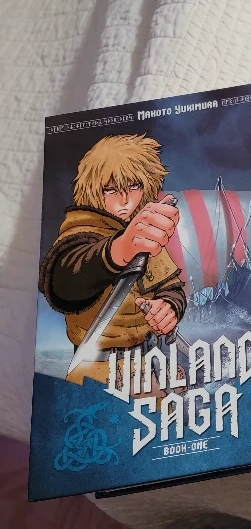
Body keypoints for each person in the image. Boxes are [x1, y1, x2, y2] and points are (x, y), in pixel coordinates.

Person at [39, 134, 186, 391]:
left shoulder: (144, 231)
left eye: (134, 186)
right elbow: (64, 283)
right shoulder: (81, 229)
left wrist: (168, 307)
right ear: (94, 189)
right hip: (97, 370)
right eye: (111, 189)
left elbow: (170, 288)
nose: (125, 200)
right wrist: (120, 249)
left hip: (147, 365)